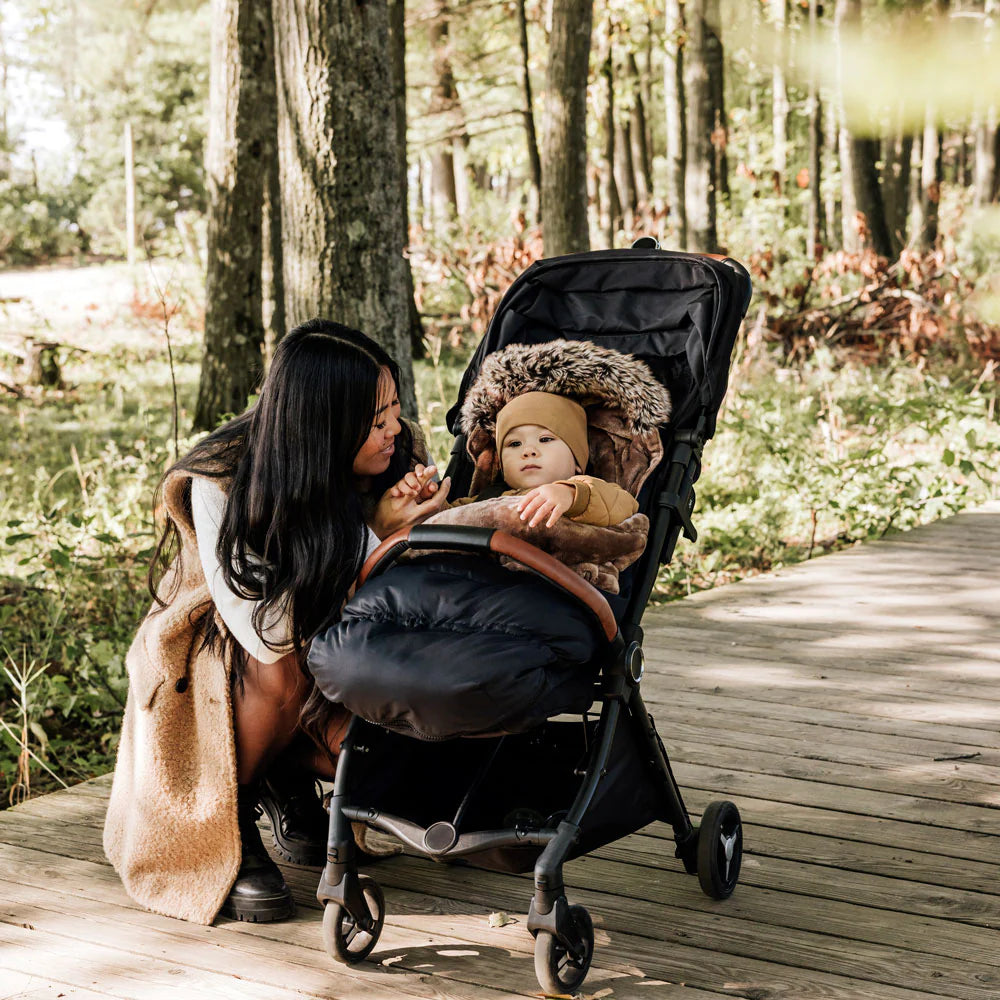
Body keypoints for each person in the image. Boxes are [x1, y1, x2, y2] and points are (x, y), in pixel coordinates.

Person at [103, 319, 449, 927]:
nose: (395, 429)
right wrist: (377, 536)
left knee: (386, 765)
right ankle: (231, 818)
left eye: (395, 410)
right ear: (324, 426)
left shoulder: (394, 452)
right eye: (377, 420)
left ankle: (284, 771)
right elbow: (266, 630)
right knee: (283, 670)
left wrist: (419, 517)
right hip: (218, 656)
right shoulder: (221, 479)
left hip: (335, 640)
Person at [394, 390, 637, 528]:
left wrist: (572, 495)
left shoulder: (585, 490)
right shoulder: (488, 498)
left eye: (545, 439)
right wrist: (428, 504)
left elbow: (624, 506)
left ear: (577, 461)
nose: (528, 451)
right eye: (515, 444)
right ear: (501, 464)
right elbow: (452, 521)